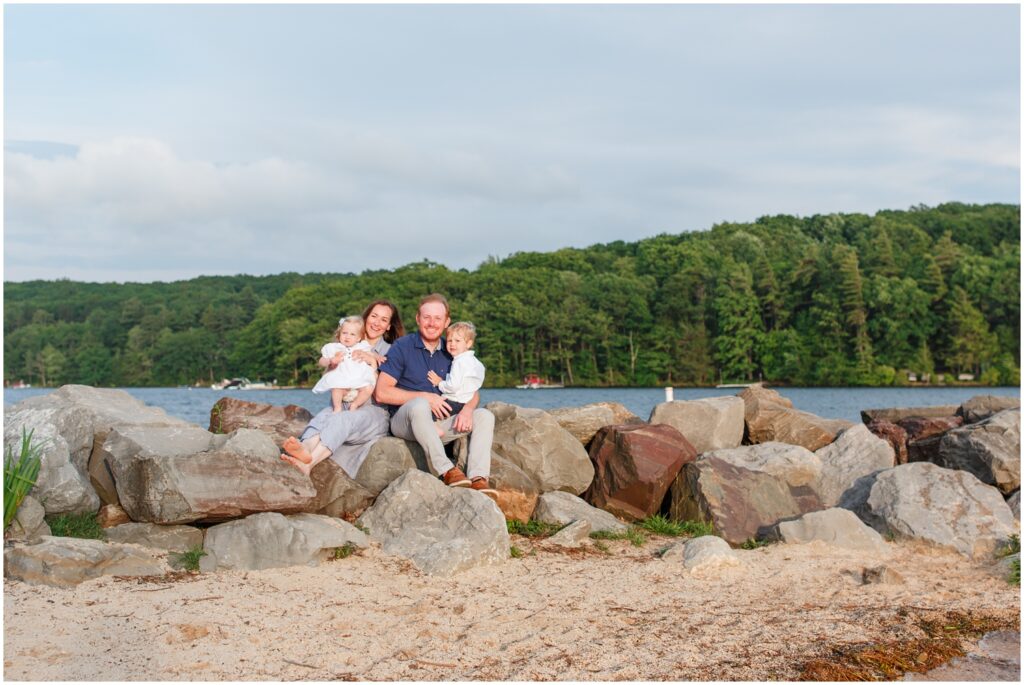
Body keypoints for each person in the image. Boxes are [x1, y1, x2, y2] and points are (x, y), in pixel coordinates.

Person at [374, 294, 496, 494]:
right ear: (418, 319)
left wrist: (468, 409)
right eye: (427, 317)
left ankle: (478, 478)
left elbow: (470, 391)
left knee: (484, 416)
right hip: (407, 422)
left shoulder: (453, 350)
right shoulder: (402, 347)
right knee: (420, 404)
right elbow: (381, 393)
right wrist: (425, 397)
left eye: (438, 318)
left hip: (441, 424)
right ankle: (447, 470)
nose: (432, 323)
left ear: (447, 322)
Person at [280, 300, 405, 477]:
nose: (377, 323)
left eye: (383, 320)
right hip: (342, 403)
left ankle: (310, 463)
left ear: (388, 327)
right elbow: (328, 373)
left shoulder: (392, 351)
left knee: (344, 419)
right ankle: (305, 447)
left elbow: (385, 390)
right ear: (366, 317)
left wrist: (372, 362)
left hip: (373, 410)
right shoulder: (347, 339)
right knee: (324, 416)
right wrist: (333, 364)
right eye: (374, 316)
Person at [426, 321, 485, 437]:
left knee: (428, 410)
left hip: (453, 401)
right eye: (449, 340)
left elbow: (453, 386)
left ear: (468, 344)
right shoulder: (476, 362)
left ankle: (433, 427)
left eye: (457, 341)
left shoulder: (459, 362)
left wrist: (439, 383)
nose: (452, 344)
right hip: (465, 402)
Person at [312, 316, 376, 413]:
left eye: (352, 334)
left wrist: (379, 357)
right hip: (342, 385)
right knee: (336, 388)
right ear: (339, 334)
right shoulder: (335, 348)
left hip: (359, 383)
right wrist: (331, 360)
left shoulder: (361, 347)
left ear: (358, 338)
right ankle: (337, 407)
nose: (347, 336)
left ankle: (355, 405)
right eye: (344, 333)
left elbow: (372, 355)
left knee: (369, 387)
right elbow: (321, 361)